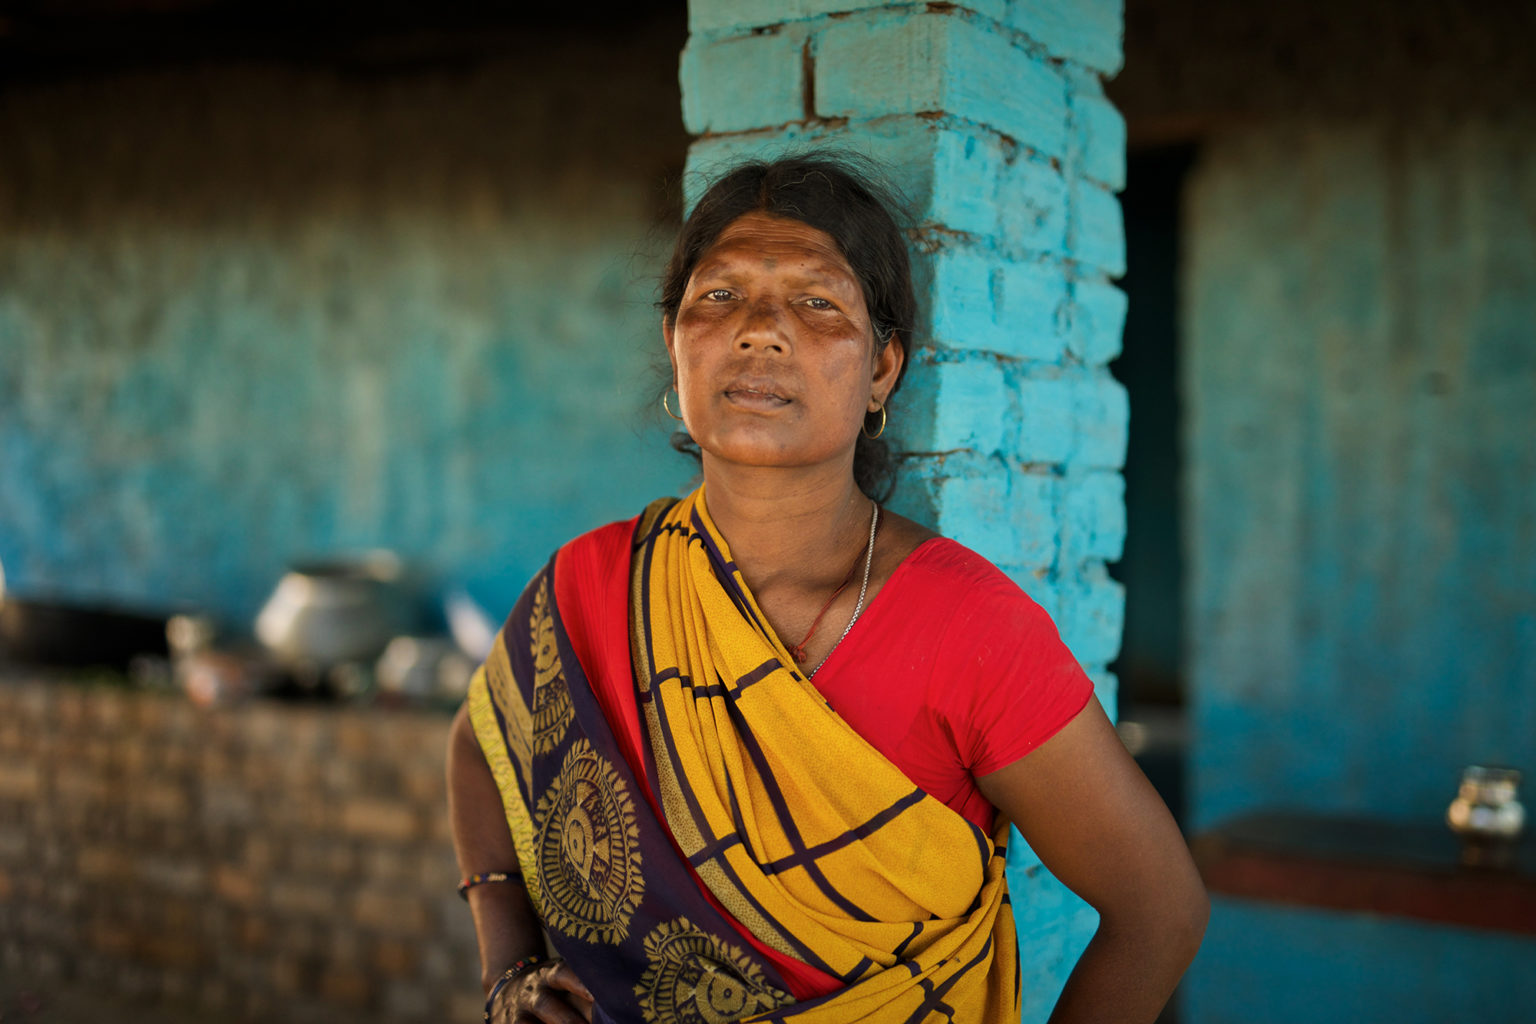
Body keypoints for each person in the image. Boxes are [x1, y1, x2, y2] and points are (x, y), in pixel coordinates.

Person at [446, 154, 1208, 1024]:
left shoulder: (969, 629)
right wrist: (507, 962)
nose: (759, 330)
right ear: (675, 344)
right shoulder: (593, 583)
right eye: (719, 297)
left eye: (817, 303)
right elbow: (479, 741)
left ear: (883, 369)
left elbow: (1161, 910)